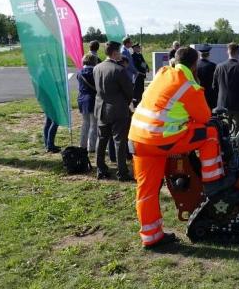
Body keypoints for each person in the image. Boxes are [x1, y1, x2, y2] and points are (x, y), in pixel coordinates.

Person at [129, 46, 229, 248]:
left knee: (147, 190)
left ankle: (151, 237)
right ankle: (213, 181)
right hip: (161, 140)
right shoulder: (188, 86)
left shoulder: (163, 73)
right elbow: (205, 118)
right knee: (209, 133)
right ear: (194, 65)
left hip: (138, 138)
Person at [94, 41, 134, 181]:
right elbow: (129, 91)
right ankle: (122, 172)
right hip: (117, 109)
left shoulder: (97, 68)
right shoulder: (119, 70)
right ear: (115, 52)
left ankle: (100, 169)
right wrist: (126, 102)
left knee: (102, 140)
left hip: (101, 108)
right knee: (119, 142)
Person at [213, 42, 239, 135]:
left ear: (227, 52)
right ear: (238, 52)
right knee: (238, 128)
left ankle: (227, 146)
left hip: (223, 104)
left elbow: (214, 86)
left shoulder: (219, 66)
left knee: (225, 129)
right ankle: (236, 146)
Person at [77, 54, 99, 152]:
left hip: (82, 99)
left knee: (85, 123)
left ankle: (83, 144)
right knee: (94, 124)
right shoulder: (95, 72)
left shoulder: (79, 72)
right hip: (93, 99)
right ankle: (92, 146)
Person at [196, 44, 218, 110]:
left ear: (200, 55)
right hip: (210, 96)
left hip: (198, 95)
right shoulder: (213, 66)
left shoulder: (195, 66)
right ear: (208, 54)